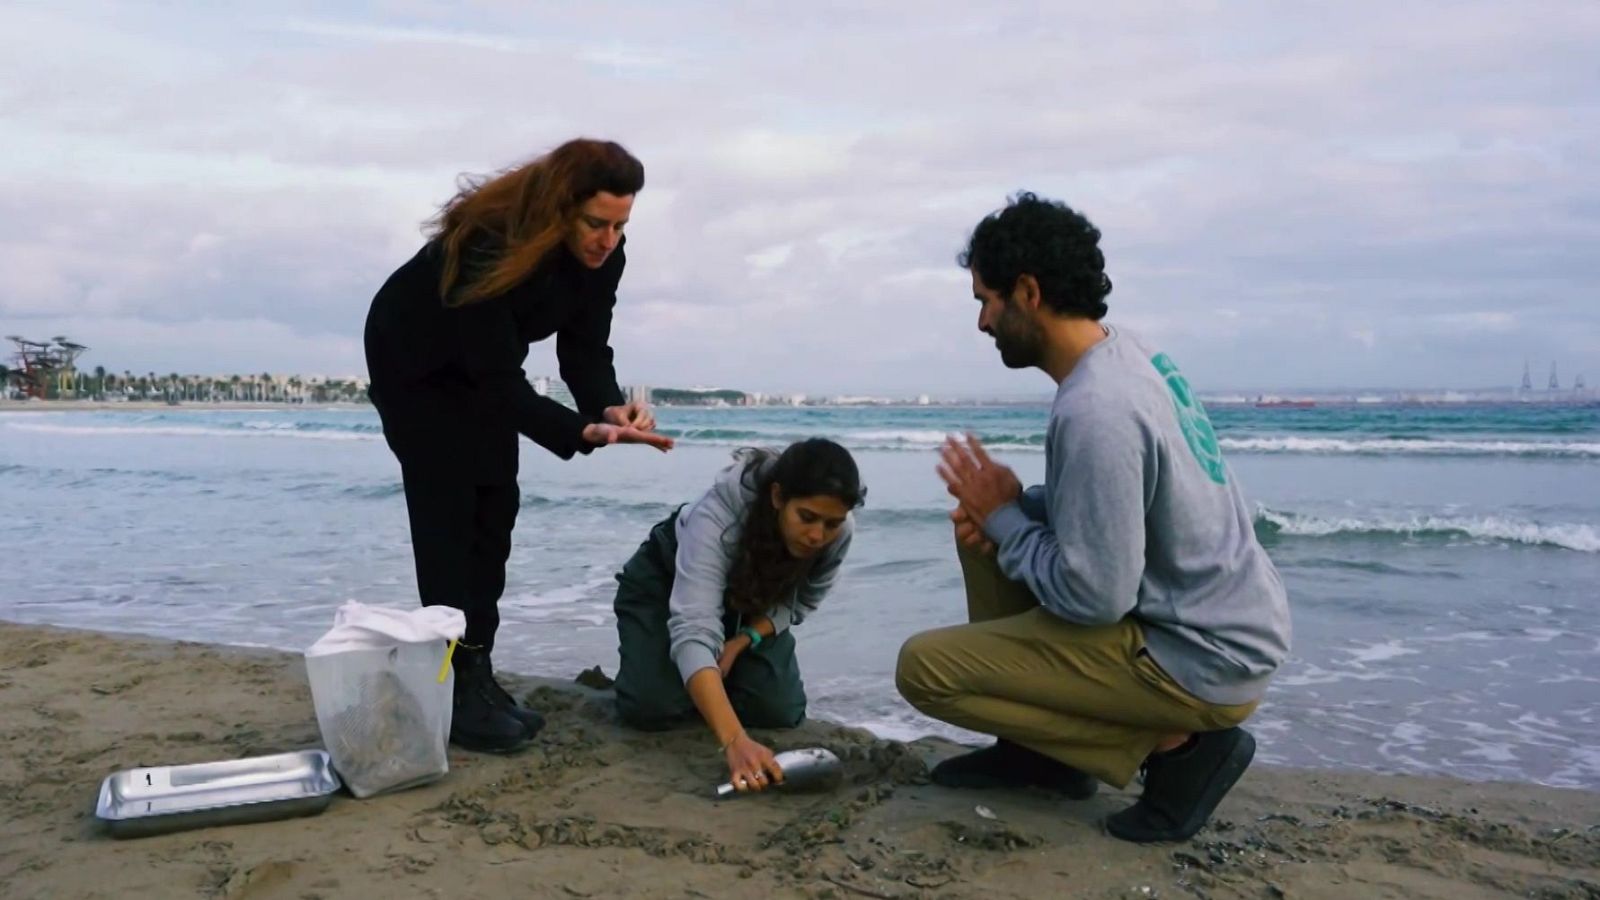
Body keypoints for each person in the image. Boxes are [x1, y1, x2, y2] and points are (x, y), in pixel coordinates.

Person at [894, 192, 1291, 843]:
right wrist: (1007, 512)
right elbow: (1140, 503)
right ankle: (1035, 754)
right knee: (985, 531)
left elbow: (1097, 597)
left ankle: (1180, 751)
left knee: (923, 669)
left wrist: (1011, 520)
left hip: (1202, 658)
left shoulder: (1097, 407)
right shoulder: (1128, 355)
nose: (981, 322)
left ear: (1027, 291)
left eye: (985, 300)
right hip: (1221, 627)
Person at [363, 138, 674, 755]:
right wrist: (576, 431)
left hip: (482, 370)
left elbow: (585, 351)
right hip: (415, 365)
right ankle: (453, 691)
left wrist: (609, 406)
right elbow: (495, 380)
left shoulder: (605, 256)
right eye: (595, 223)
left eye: (620, 225)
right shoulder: (488, 243)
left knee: (496, 510)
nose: (607, 240)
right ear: (560, 208)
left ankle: (477, 676)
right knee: (452, 516)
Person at [611, 439, 864, 793]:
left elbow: (801, 602)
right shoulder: (716, 518)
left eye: (831, 523)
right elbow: (693, 629)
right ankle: (675, 675)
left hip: (747, 606)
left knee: (778, 712)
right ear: (778, 497)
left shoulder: (839, 531)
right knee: (651, 708)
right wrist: (734, 741)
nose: (817, 536)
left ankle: (707, 681)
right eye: (806, 517)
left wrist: (743, 641)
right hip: (664, 584)